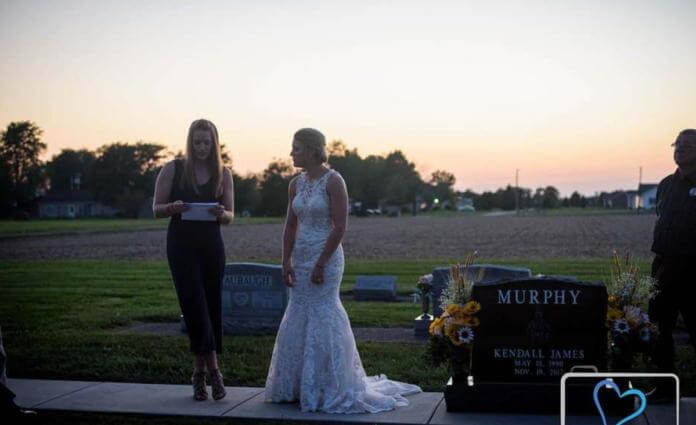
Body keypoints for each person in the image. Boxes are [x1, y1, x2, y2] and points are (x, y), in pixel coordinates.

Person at [264, 128, 421, 413]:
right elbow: (290, 225)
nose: (291, 153)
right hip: (300, 257)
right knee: (298, 312)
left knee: (325, 312)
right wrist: (285, 260)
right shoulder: (294, 185)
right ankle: (297, 385)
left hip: (327, 257)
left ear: (312, 150)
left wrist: (321, 262)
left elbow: (339, 226)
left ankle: (332, 385)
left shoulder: (334, 181)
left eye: (296, 148)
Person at [152, 119, 234, 401]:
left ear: (214, 144)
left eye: (206, 142)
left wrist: (221, 214)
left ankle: (197, 375)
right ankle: (214, 372)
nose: (201, 147)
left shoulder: (224, 174)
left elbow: (231, 216)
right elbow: (156, 208)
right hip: (181, 246)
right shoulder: (173, 169)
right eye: (197, 142)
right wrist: (172, 207)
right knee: (195, 307)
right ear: (190, 141)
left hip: (211, 246)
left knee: (212, 308)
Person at [648, 128, 696, 402]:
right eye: (678, 144)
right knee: (658, 329)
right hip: (664, 269)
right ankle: (665, 389)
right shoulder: (666, 184)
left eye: (688, 145)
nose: (681, 148)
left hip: (694, 271)